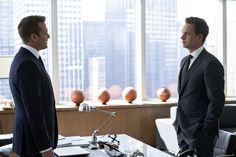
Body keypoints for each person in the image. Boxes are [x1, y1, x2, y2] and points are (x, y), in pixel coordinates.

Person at [173, 17, 225, 157]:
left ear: (199, 36)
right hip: (182, 131)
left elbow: (217, 101)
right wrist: (177, 123)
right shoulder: (184, 61)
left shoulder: (211, 64)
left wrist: (204, 130)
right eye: (182, 33)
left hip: (200, 134)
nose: (182, 37)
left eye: (187, 34)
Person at [9, 15, 58, 157]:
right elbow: (33, 111)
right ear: (34, 37)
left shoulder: (29, 59)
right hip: (32, 145)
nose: (48, 36)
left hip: (32, 142)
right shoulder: (27, 64)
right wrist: (45, 149)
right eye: (45, 32)